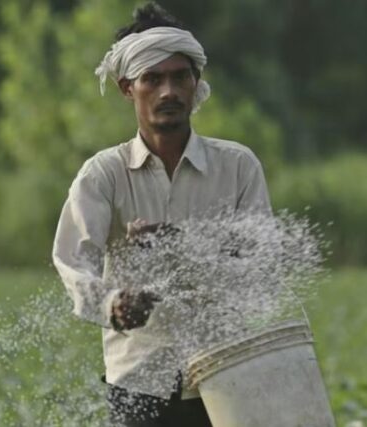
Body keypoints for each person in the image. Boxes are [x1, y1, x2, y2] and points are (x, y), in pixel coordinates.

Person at [52, 3, 270, 425]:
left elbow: (261, 264)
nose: (167, 91)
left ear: (196, 83)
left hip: (224, 378)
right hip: (139, 384)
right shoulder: (104, 174)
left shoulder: (238, 166)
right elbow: (74, 259)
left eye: (179, 77)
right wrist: (113, 304)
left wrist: (190, 244)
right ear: (127, 88)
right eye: (152, 78)